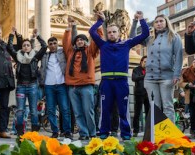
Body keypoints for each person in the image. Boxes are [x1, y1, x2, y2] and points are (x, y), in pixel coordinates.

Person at [90, 11, 149, 140]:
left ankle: (126, 134)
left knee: (123, 110)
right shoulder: (103, 45)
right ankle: (104, 132)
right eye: (109, 32)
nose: (111, 34)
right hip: (106, 82)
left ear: (119, 33)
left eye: (114, 32)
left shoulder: (126, 44)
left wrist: (141, 19)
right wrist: (100, 21)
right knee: (105, 109)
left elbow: (145, 34)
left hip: (121, 82)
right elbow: (91, 32)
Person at [130, 14, 182, 123]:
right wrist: (135, 21)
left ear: (166, 22)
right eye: (156, 22)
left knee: (167, 106)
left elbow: (178, 56)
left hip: (167, 77)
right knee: (155, 107)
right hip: (150, 78)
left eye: (161, 21)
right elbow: (133, 38)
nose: (158, 24)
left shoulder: (174, 37)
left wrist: (176, 74)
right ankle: (157, 135)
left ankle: (169, 135)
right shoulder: (150, 39)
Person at [63, 17, 102, 140]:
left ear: (86, 42)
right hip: (73, 87)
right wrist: (69, 28)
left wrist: (99, 24)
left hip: (86, 86)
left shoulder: (90, 51)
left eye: (82, 40)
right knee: (78, 113)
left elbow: (97, 40)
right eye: (78, 40)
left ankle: (92, 132)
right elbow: (65, 42)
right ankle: (83, 133)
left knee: (88, 111)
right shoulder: (71, 52)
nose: (80, 41)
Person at [6, 27, 47, 136]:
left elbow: (44, 46)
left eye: (28, 45)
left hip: (33, 86)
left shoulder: (35, 57)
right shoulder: (18, 56)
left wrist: (37, 35)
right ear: (22, 47)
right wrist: (12, 35)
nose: (26, 46)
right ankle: (20, 132)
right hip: (21, 86)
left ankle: (34, 133)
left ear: (31, 47)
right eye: (24, 45)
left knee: (33, 110)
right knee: (20, 110)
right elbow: (9, 47)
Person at [40, 35, 72, 139]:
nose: (53, 45)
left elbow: (70, 45)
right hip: (49, 86)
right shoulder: (45, 55)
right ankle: (55, 131)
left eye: (55, 43)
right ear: (48, 46)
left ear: (57, 44)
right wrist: (37, 37)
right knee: (51, 110)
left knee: (65, 109)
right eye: (51, 44)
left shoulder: (62, 52)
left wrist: (71, 28)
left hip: (62, 84)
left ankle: (67, 131)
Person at [180, 61, 195, 139]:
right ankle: (193, 132)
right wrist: (188, 84)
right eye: (193, 62)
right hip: (191, 97)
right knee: (193, 115)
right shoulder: (186, 71)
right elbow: (180, 83)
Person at [131, 56, 150, 136]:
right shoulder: (136, 69)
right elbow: (134, 78)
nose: (146, 63)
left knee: (148, 113)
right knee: (137, 113)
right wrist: (145, 76)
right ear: (141, 62)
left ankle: (148, 130)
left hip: (148, 93)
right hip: (139, 93)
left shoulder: (150, 70)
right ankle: (135, 131)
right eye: (145, 61)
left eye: (147, 61)